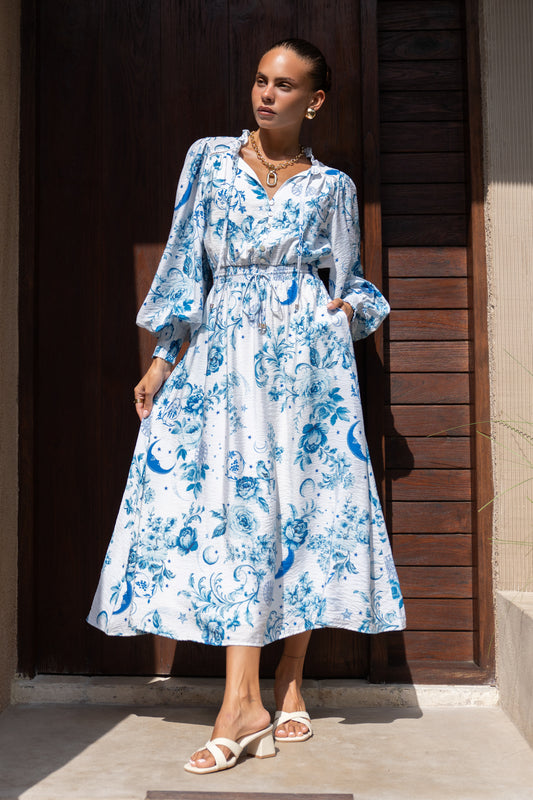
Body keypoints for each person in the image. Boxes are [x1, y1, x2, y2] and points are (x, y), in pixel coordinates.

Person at [87, 38, 406, 774]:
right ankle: (244, 701)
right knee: (238, 511)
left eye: (284, 85)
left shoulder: (332, 187)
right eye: (261, 80)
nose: (266, 94)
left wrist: (341, 313)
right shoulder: (209, 159)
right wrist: (163, 356)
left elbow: (351, 281)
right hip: (222, 354)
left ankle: (286, 680)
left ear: (314, 101)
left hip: (304, 363)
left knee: (301, 504)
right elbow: (183, 264)